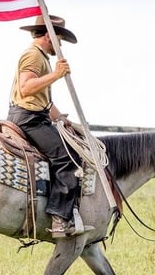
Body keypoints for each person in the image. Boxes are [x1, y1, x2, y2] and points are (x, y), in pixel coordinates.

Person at [7, 15, 93, 238]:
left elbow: (44, 100)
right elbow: (26, 89)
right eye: (59, 38)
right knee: (68, 157)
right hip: (29, 119)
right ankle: (60, 219)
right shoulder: (34, 56)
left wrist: (61, 119)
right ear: (49, 36)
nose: (61, 44)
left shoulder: (40, 57)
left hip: (35, 115)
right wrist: (57, 74)